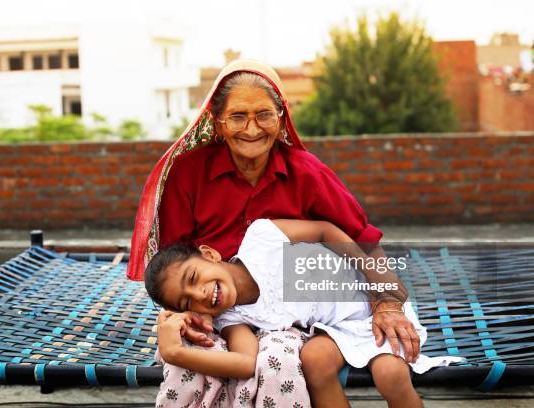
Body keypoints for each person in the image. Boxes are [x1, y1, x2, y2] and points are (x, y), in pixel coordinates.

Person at [130, 59, 418, 406]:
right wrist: (183, 314)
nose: (251, 128)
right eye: (237, 116)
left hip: (303, 315)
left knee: (278, 363)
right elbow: (177, 266)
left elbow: (362, 241)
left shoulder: (307, 172)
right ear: (217, 124)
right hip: (222, 314)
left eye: (264, 114)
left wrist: (387, 299)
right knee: (188, 370)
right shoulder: (188, 174)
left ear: (281, 118)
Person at [146, 219, 463, 407]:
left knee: (390, 374)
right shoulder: (233, 318)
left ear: (209, 254)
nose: (199, 294)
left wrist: (381, 286)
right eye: (187, 302)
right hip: (336, 329)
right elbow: (244, 363)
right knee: (314, 360)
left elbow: (325, 231)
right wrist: (173, 352)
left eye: (192, 278)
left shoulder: (262, 238)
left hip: (375, 303)